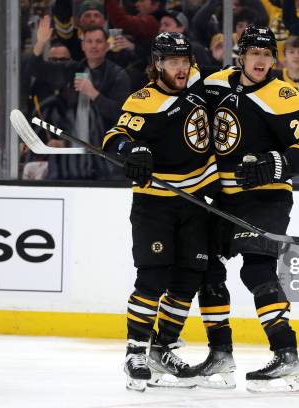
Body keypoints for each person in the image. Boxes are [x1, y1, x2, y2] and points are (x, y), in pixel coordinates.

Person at [198, 26, 299, 393]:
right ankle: (219, 354)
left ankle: (286, 354)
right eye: (255, 53)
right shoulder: (215, 84)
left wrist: (274, 164)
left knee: (256, 270)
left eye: (268, 55)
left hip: (267, 196)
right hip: (223, 196)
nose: (261, 61)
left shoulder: (283, 94)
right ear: (241, 55)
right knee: (205, 266)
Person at [102, 32, 220, 391]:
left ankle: (162, 347)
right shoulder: (144, 100)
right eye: (173, 62)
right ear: (158, 65)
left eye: (185, 61)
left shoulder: (202, 84)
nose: (181, 68)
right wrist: (132, 152)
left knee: (188, 279)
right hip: (155, 202)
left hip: (196, 201)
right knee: (152, 278)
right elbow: (115, 137)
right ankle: (136, 351)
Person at [29, 21, 131, 179]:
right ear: (83, 46)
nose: (94, 46)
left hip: (106, 160)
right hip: (72, 160)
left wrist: (93, 94)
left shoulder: (118, 75)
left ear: (106, 46)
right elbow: (36, 69)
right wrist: (41, 43)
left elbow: (122, 116)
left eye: (98, 41)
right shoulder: (71, 70)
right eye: (89, 41)